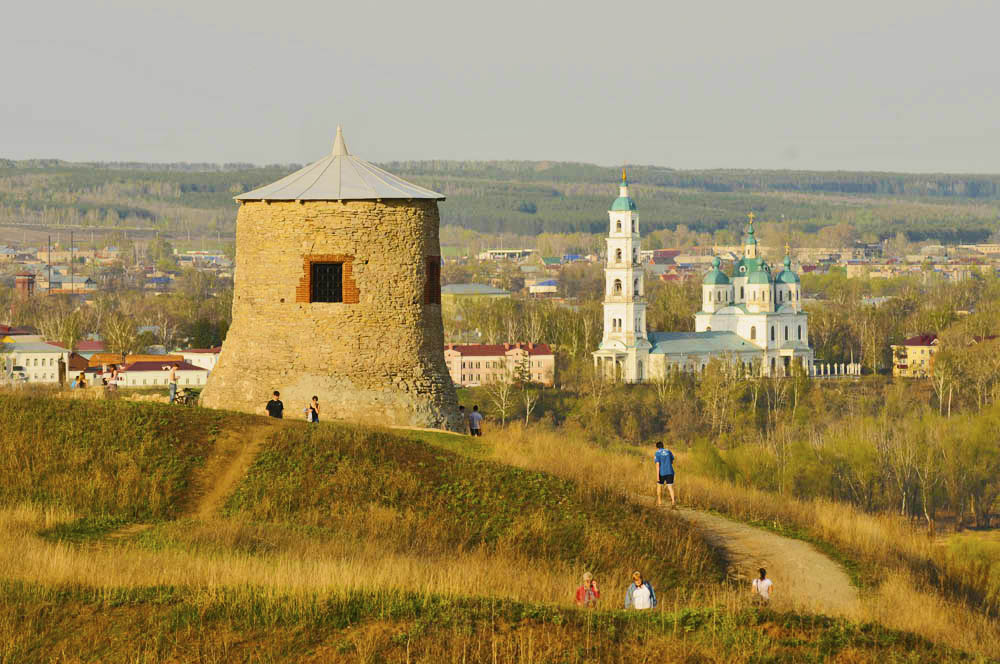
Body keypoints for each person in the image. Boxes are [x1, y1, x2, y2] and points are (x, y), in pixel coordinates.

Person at [654, 441, 676, 507]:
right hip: (670, 472)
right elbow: (672, 461)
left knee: (659, 486)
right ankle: (673, 502)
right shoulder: (668, 451)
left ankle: (659, 502)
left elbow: (657, 465)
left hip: (662, 472)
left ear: (657, 447)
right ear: (663, 445)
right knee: (670, 487)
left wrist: (657, 476)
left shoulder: (657, 453)